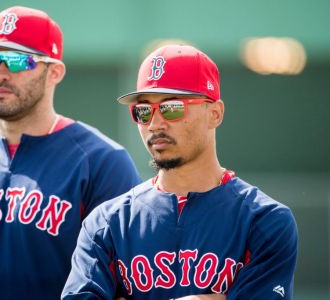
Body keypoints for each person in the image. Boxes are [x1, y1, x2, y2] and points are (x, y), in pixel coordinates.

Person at [0, 6, 141, 300]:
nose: (1, 74)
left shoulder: (102, 162)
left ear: (54, 72)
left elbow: (126, 287)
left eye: (17, 60)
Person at [62, 44, 298, 299]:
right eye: (143, 111)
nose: (155, 123)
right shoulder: (106, 223)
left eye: (171, 107)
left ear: (215, 114)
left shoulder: (264, 220)